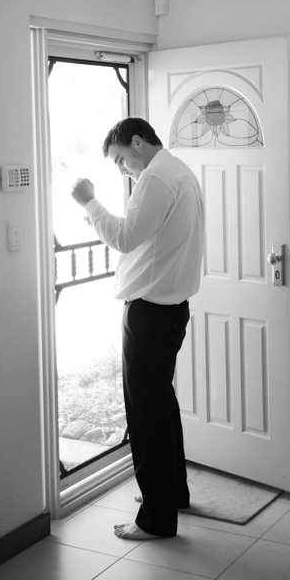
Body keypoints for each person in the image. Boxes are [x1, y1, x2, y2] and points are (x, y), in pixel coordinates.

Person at [71, 117, 204, 539]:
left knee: (147, 416)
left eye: (120, 160)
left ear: (137, 142)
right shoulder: (179, 171)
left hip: (150, 313)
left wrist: (89, 203)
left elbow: (126, 237)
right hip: (171, 309)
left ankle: (157, 518)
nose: (123, 170)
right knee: (162, 407)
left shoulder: (156, 178)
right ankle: (172, 493)